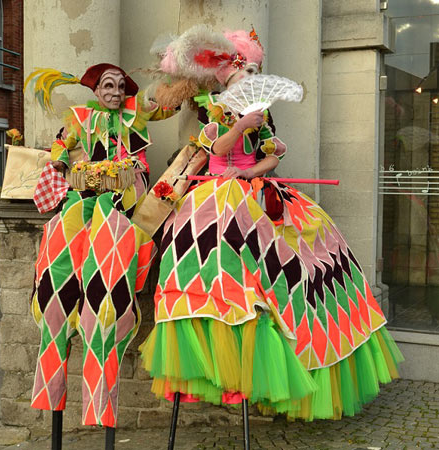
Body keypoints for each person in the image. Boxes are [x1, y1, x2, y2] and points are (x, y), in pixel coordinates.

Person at [140, 26, 403, 422]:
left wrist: (251, 171)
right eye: (236, 77)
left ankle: (288, 333)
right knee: (195, 263)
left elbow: (272, 158)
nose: (242, 85)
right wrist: (237, 128)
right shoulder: (214, 116)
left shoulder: (260, 119)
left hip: (251, 192)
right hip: (211, 195)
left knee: (300, 255)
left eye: (247, 79)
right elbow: (217, 149)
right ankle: (205, 365)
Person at [27, 63, 175, 427]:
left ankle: (100, 406)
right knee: (58, 270)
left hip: (124, 193)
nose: (115, 92)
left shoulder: (135, 111)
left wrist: (184, 81)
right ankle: (50, 388)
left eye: (120, 86)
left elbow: (166, 104)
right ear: (96, 91)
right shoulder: (80, 118)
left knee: (106, 289)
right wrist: (60, 164)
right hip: (87, 193)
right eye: (108, 86)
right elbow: (63, 144)